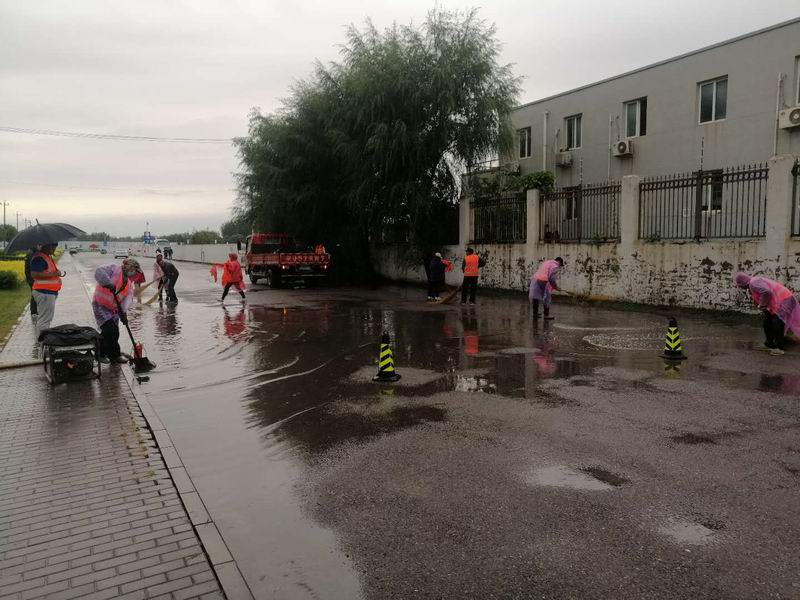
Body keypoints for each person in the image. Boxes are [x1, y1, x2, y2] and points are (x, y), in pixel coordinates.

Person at [734, 272, 800, 356]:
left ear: (742, 283)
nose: (740, 287)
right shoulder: (753, 283)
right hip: (780, 301)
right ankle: (769, 344)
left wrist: (762, 304)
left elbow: (766, 292)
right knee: (767, 321)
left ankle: (779, 347)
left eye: (739, 285)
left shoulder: (753, 283)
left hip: (785, 300)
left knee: (777, 322)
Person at [92, 259, 140, 363]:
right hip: (100, 305)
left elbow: (124, 302)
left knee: (114, 332)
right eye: (133, 269)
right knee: (109, 330)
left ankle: (113, 355)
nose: (133, 272)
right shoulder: (114, 268)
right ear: (128, 266)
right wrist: (108, 283)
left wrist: (123, 315)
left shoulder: (128, 283)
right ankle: (102, 354)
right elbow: (99, 271)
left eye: (135, 271)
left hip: (113, 309)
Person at [30, 243, 64, 339]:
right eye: (54, 247)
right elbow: (34, 274)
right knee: (44, 320)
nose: (55, 249)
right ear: (48, 246)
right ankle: (42, 342)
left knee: (45, 319)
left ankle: (41, 340)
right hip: (44, 292)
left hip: (48, 292)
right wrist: (53, 274)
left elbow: (47, 272)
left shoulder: (46, 257)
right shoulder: (39, 258)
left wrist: (56, 274)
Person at [24, 245, 41, 322]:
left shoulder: (31, 253)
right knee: (34, 296)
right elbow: (33, 267)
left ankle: (34, 313)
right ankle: (34, 313)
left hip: (30, 278)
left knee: (34, 295)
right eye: (38, 245)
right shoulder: (31, 254)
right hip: (32, 279)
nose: (39, 247)